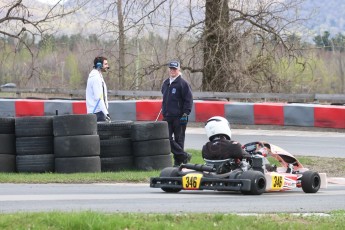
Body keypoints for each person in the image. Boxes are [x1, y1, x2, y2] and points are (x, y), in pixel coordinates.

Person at [161, 61, 193, 166]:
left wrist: (185, 114)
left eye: (174, 69)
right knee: (166, 138)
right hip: (167, 116)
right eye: (171, 69)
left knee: (179, 139)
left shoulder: (183, 84)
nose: (172, 71)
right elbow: (164, 97)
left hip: (180, 116)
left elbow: (188, 100)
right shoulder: (166, 83)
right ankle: (184, 156)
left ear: (178, 70)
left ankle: (178, 162)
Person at [86, 56, 111, 122]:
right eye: (105, 64)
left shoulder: (98, 75)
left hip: (98, 112)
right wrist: (106, 113)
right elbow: (99, 98)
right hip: (97, 113)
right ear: (99, 65)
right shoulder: (96, 78)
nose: (108, 66)